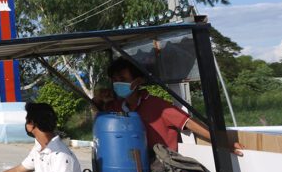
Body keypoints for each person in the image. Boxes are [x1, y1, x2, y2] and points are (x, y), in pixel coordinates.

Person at [96, 57, 244, 155]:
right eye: (114, 80)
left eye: (122, 79)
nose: (117, 83)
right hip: (132, 168)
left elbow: (190, 124)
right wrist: (98, 97)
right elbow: (98, 112)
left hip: (163, 168)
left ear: (138, 81)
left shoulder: (158, 106)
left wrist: (226, 143)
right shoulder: (115, 107)